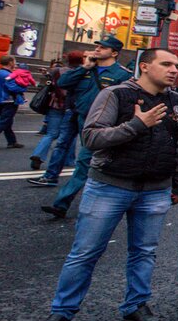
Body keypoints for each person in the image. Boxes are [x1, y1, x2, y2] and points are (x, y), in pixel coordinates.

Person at [31, 48, 178, 321]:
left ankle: (135, 305)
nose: (174, 69)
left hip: (155, 190)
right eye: (166, 64)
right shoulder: (116, 94)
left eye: (176, 65)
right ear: (145, 66)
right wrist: (137, 125)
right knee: (86, 252)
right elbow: (91, 137)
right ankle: (62, 312)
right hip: (110, 186)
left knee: (144, 252)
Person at [39, 36, 132, 218]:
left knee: (84, 161)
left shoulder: (122, 75)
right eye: (97, 46)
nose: (97, 49)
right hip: (80, 119)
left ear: (114, 53)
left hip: (102, 124)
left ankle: (62, 203)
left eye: (103, 47)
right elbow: (63, 83)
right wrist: (84, 67)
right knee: (90, 160)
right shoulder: (86, 70)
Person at [29, 53, 81, 171]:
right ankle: (69, 160)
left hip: (55, 105)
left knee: (51, 133)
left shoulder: (57, 71)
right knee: (70, 134)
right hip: (71, 106)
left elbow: (50, 81)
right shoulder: (80, 73)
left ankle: (38, 154)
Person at [0, 55, 30, 148]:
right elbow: (14, 88)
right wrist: (23, 88)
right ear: (10, 63)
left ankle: (12, 141)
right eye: (14, 62)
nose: (15, 64)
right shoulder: (9, 75)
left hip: (1, 99)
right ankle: (12, 142)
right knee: (5, 121)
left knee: (8, 122)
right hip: (9, 100)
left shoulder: (0, 72)